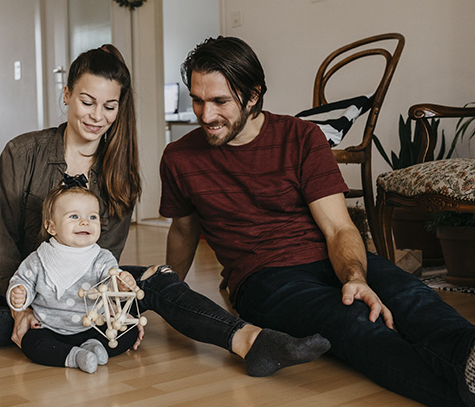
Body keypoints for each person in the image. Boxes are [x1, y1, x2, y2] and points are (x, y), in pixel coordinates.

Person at [0, 43, 330, 378]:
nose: (96, 116)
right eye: (86, 101)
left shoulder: (122, 173)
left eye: (109, 106)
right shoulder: (21, 153)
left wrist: (116, 307)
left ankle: (250, 341)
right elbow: (0, 251)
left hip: (89, 294)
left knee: (158, 279)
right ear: (67, 95)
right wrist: (23, 308)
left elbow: (107, 261)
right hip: (26, 288)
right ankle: (52, 331)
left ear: (120, 108)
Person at [159, 35, 475, 406]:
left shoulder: (300, 136)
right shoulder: (179, 158)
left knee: (413, 297)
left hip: (327, 256)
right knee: (351, 323)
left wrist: (355, 278)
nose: (205, 115)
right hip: (263, 279)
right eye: (197, 100)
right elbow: (183, 230)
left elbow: (338, 227)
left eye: (219, 101)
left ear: (253, 94)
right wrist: (171, 296)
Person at [7, 184, 139, 374]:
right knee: (31, 343)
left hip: (96, 326)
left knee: (130, 330)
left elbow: (110, 286)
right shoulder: (39, 259)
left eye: (92, 217)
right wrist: (20, 293)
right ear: (51, 226)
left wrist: (122, 284)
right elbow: (22, 281)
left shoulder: (102, 258)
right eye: (74, 216)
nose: (85, 222)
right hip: (51, 328)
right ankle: (74, 356)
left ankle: (94, 346)